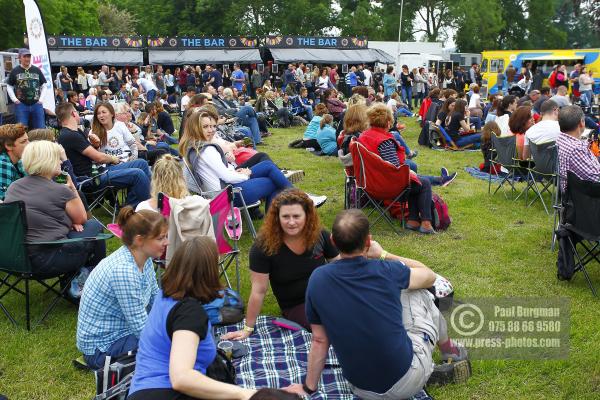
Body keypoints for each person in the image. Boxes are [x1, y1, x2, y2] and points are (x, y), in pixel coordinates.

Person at [284, 209, 467, 399]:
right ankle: (448, 351)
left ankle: (422, 367)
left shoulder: (317, 279)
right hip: (407, 380)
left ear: (333, 241)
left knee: (404, 292)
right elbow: (429, 277)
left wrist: (308, 388)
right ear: (368, 241)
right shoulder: (387, 270)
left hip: (361, 389)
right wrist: (383, 254)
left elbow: (320, 340)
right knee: (419, 292)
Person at [127, 237, 256, 400]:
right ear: (208, 273)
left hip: (142, 389)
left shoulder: (165, 296)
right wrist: (242, 393)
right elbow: (181, 378)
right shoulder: (189, 313)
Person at [222, 189, 339, 337]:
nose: (291, 222)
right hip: (297, 305)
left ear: (308, 216)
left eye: (296, 216)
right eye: (285, 216)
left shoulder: (320, 235)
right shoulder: (263, 247)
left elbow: (340, 267)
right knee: (329, 325)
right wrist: (247, 329)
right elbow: (259, 290)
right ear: (276, 218)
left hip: (328, 294)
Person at [76, 207, 168, 369]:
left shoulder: (143, 257)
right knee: (167, 349)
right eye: (161, 238)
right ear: (140, 240)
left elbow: (155, 298)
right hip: (102, 349)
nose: (166, 242)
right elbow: (141, 327)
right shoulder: (124, 271)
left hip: (123, 332)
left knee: (172, 333)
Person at [4, 140, 105, 281]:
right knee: (94, 226)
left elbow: (37, 215)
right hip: (45, 261)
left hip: (14, 260)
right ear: (49, 161)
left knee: (78, 228)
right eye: (57, 158)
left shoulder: (14, 187)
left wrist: (69, 222)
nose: (60, 162)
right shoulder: (61, 190)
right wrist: (72, 188)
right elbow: (82, 219)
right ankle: (90, 279)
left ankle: (79, 281)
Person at [56, 102, 151, 208]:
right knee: (138, 174)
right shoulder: (69, 136)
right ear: (74, 114)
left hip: (98, 171)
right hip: (92, 179)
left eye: (104, 112)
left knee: (141, 163)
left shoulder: (75, 132)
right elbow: (98, 157)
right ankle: (134, 210)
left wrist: (96, 145)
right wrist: (113, 159)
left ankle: (141, 203)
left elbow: (92, 154)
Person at [556, 105, 600, 192]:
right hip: (585, 195)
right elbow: (596, 177)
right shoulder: (576, 149)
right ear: (581, 123)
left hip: (574, 190)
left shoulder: (560, 139)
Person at [6, 48, 48, 129]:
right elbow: (9, 86)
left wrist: (41, 100)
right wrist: (15, 100)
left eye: (28, 56)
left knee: (40, 129)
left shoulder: (36, 70)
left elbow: (44, 85)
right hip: (21, 105)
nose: (27, 59)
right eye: (24, 56)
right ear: (19, 57)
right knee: (21, 130)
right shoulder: (15, 71)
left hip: (36, 105)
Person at [0, 124, 28, 200]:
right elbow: (4, 200)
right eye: (23, 141)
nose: (29, 144)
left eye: (28, 140)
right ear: (8, 146)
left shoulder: (19, 162)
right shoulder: (3, 164)